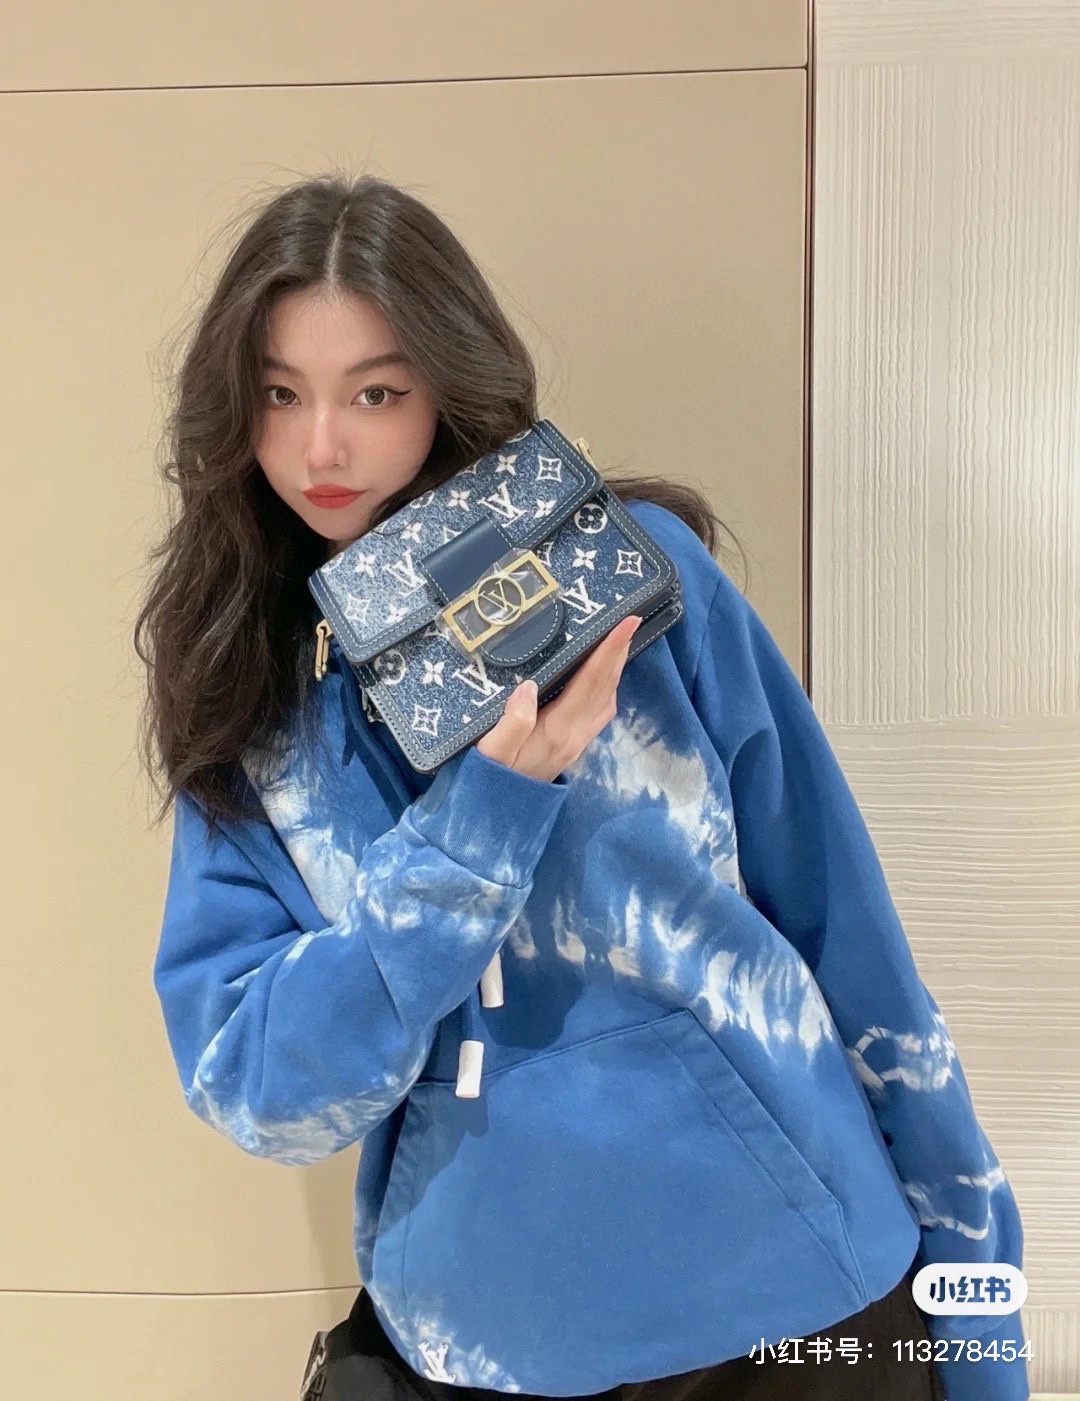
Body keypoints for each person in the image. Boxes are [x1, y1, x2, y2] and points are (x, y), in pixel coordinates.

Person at [139, 173, 1029, 1401]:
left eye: (376, 391)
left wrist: (980, 1324)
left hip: (800, 1299)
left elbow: (854, 946)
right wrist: (477, 832)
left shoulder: (632, 584)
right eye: (279, 393)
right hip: (494, 1332)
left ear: (448, 382)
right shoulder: (256, 696)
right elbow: (265, 1093)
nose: (321, 448)